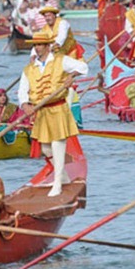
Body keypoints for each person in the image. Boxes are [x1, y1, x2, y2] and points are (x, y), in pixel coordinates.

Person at [19, 32, 88, 197]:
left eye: (40, 45)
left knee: (58, 144)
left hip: (57, 108)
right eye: (35, 45)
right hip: (41, 111)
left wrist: (71, 76)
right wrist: (25, 104)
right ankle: (63, 175)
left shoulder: (60, 60)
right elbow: (22, 90)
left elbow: (84, 67)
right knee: (46, 147)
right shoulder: (29, 69)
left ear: (48, 46)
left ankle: (57, 183)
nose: (37, 48)